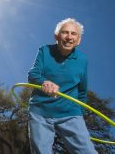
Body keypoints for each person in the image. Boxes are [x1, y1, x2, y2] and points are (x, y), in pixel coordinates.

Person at [27, 18, 97, 154]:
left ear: (79, 40)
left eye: (73, 34)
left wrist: (79, 116)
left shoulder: (82, 60)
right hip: (41, 111)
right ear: (56, 36)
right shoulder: (44, 51)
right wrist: (43, 82)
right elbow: (33, 74)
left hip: (70, 113)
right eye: (65, 32)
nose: (69, 37)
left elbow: (82, 91)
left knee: (87, 151)